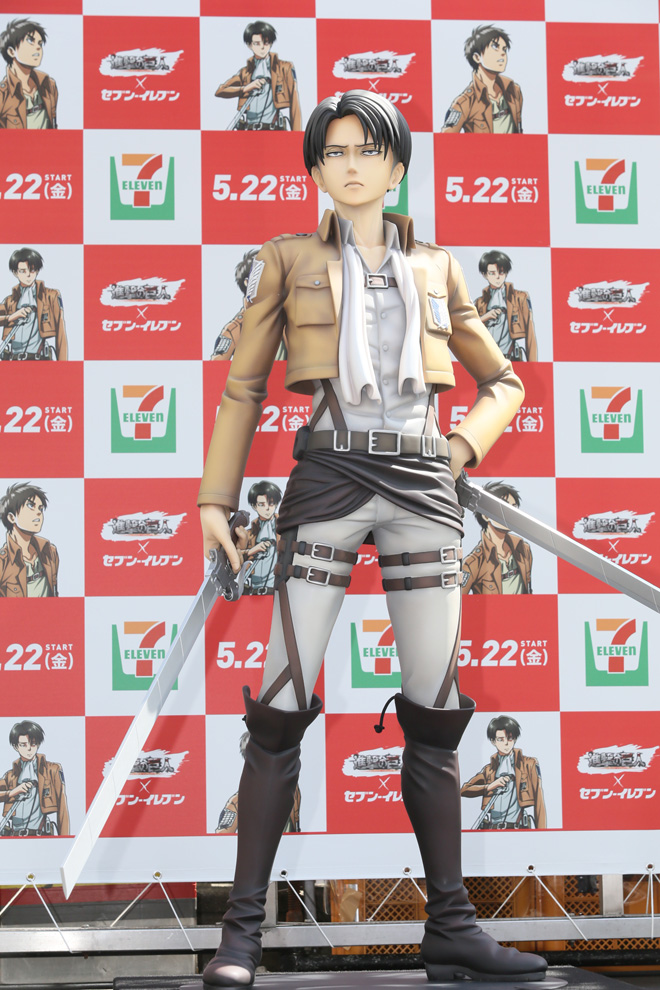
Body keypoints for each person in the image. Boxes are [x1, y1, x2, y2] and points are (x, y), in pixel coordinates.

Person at [198, 91, 546, 986]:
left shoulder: (438, 267)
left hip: (422, 483)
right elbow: (243, 386)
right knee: (280, 704)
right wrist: (215, 499)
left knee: (435, 708)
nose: (351, 165)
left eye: (368, 150)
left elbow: (504, 380)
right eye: (335, 152)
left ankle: (451, 927)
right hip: (329, 470)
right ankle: (241, 934)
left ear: (396, 165)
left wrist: (460, 449)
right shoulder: (287, 258)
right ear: (317, 167)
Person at [461, 715, 546, 829]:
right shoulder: (489, 770)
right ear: (493, 741)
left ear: (515, 738)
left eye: (509, 738)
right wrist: (490, 786)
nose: (506, 743)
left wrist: (542, 832)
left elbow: (539, 802)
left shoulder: (528, 764)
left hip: (517, 828)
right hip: (492, 829)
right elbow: (464, 790)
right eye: (500, 739)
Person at [215, 21, 301, 131]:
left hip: (272, 130)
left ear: (271, 43)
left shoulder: (284, 68)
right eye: (257, 43)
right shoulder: (245, 72)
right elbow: (220, 91)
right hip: (248, 131)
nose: (262, 47)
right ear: (249, 45)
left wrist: (297, 136)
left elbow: (295, 104)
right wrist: (246, 88)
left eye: (266, 43)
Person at [441, 25, 522, 134]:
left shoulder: (514, 91)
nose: (503, 53)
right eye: (495, 47)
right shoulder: (465, 102)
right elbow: (445, 138)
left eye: (504, 49)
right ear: (477, 57)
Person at [462, 481, 533, 594]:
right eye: (503, 508)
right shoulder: (474, 562)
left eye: (513, 508)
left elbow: (528, 590)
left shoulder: (523, 549)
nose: (511, 514)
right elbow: (458, 600)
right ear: (485, 515)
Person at [0, 720, 70, 836]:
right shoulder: (10, 776)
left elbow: (63, 808)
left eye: (33, 744)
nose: (29, 749)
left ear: (38, 744)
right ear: (16, 746)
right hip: (14, 837)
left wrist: (65, 839)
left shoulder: (52, 770)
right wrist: (12, 792)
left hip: (40, 836)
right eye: (23, 745)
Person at [0, 248, 68, 360]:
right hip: (13, 361)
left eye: (32, 270)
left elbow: (61, 334)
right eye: (23, 271)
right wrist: (11, 317)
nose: (28, 275)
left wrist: (63, 366)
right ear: (15, 272)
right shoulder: (9, 301)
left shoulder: (51, 296)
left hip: (38, 360)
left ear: (37, 270)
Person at [474, 250, 537, 361]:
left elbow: (530, 334)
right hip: (485, 360)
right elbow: (467, 331)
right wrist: (485, 317)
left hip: (510, 358)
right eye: (492, 273)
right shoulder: (480, 302)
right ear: (484, 274)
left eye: (501, 272)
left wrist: (533, 365)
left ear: (506, 273)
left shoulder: (520, 298)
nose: (497, 277)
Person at [0, 482, 59, 597]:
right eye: (31, 506)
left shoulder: (50, 552)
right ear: (11, 517)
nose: (38, 513)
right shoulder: (3, 562)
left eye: (40, 508)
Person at [0, 18, 57, 128]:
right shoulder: (3, 95)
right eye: (30, 41)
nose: (38, 47)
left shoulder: (49, 85)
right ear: (11, 51)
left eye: (40, 43)